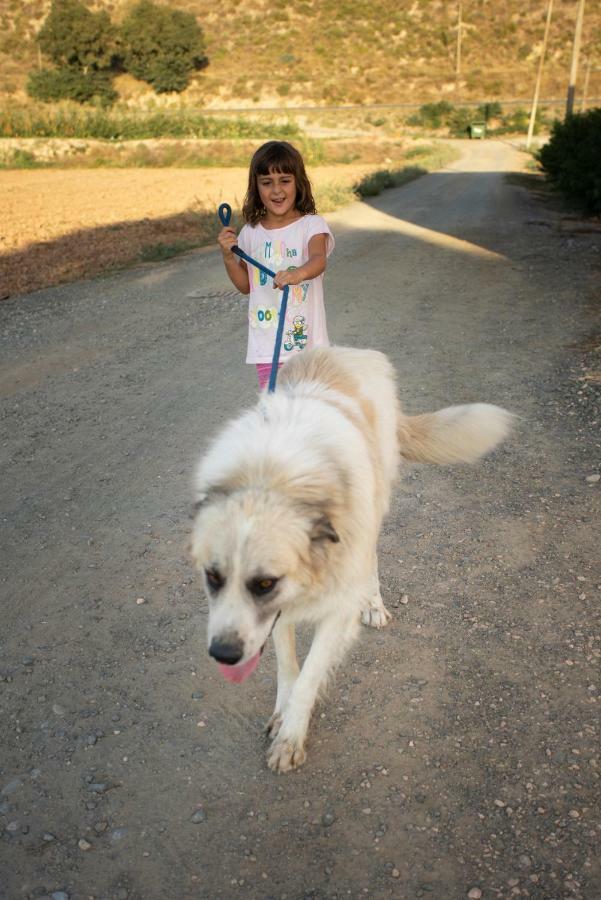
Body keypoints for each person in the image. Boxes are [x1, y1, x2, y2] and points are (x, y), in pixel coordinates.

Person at [217, 140, 335, 390]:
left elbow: (318, 259)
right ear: (256, 187)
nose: (276, 190)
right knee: (276, 413)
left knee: (312, 411)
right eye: (267, 182)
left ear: (298, 183)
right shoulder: (250, 232)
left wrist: (297, 274)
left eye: (285, 180)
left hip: (309, 347)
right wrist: (228, 257)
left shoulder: (312, 225)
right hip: (268, 347)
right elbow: (245, 286)